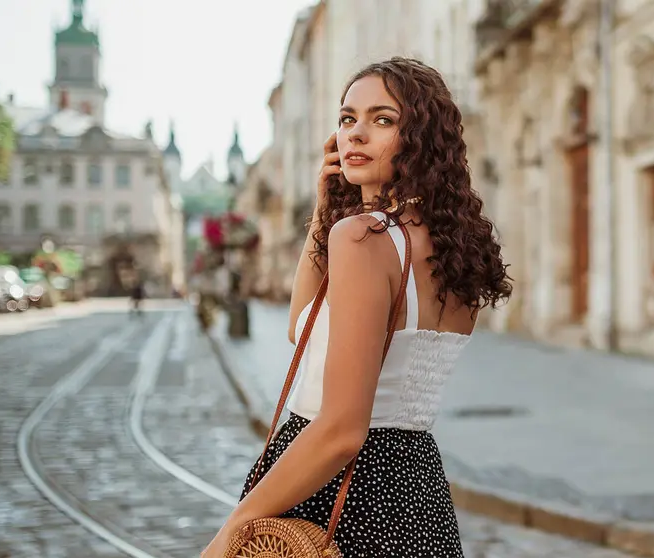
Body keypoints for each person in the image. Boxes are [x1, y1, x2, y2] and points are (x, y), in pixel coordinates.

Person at [202, 57, 511, 557]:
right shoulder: (453, 245)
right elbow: (302, 332)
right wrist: (327, 208)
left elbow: (341, 430)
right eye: (347, 119)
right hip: (416, 492)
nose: (356, 134)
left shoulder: (364, 240)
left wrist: (231, 529)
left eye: (383, 120)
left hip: (341, 494)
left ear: (421, 139)